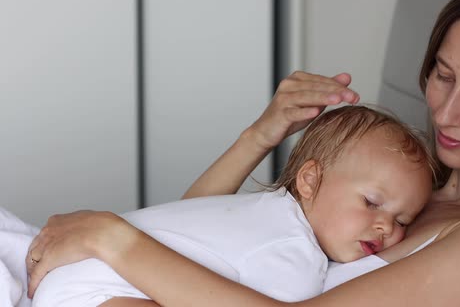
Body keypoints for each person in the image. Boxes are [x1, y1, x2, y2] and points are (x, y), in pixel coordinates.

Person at [26, 0, 460, 306]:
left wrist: (113, 238)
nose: (445, 114)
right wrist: (261, 136)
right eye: (442, 76)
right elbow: (194, 240)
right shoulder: (400, 177)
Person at [30, 105, 435, 306]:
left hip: (75, 276)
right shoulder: (293, 250)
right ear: (310, 180)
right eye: (372, 203)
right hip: (103, 290)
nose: (386, 228)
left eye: (403, 220)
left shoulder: (258, 211)